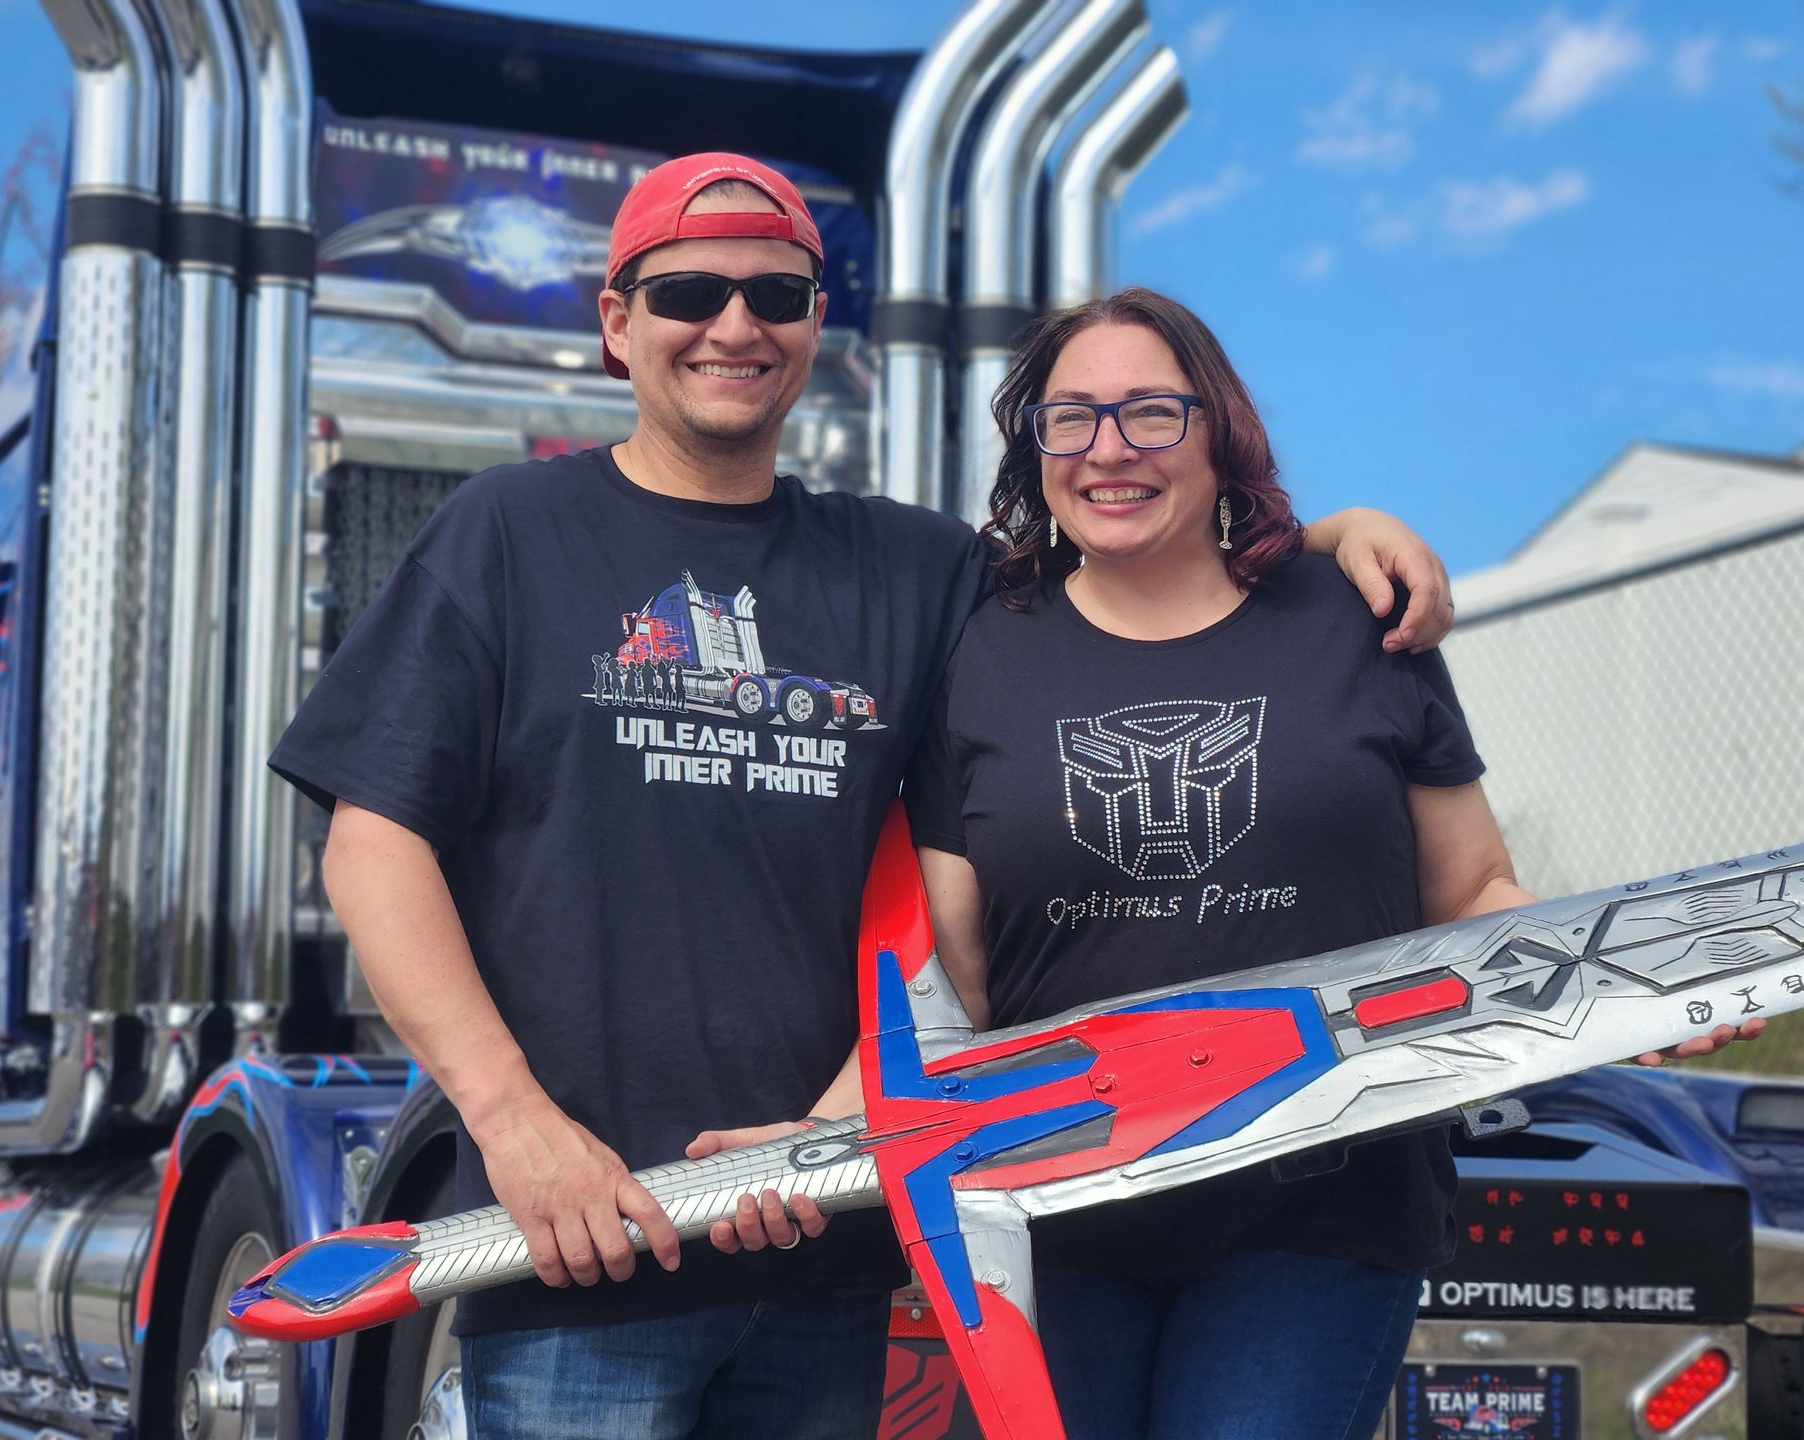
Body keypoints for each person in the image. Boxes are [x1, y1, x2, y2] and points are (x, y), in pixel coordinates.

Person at [270, 155, 1458, 1440]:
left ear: (814, 324)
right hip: (584, 1252)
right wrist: (514, 1127)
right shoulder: (507, 533)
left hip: (826, 1250)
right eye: (690, 293)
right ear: (617, 322)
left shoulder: (913, 568)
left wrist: (1331, 539)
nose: (735, 325)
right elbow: (374, 847)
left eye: (776, 294)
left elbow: (1133, 555)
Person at [902, 286, 1761, 1440]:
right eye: (1072, 417)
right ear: (1035, 444)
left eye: (1152, 412)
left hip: (1322, 1203)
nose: (1109, 449)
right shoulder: (977, 652)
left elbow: (1472, 891)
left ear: (1220, 430)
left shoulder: (1355, 619)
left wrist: (1627, 985)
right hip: (1055, 1203)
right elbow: (951, 977)